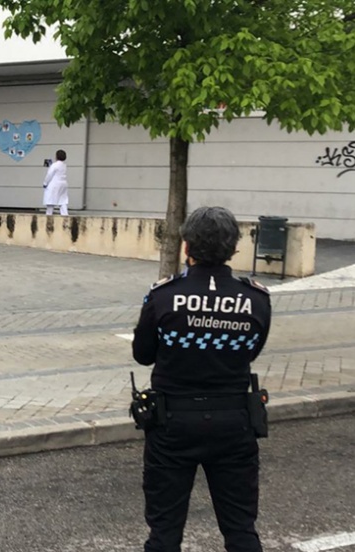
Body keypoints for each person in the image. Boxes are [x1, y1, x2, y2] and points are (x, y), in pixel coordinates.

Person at [132, 206, 272, 552]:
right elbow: (251, 353)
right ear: (234, 249)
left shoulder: (163, 295)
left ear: (186, 247)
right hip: (234, 422)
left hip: (172, 423)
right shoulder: (256, 299)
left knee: (164, 533)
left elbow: (143, 354)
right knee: (241, 530)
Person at [43, 149, 69, 216]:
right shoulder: (64, 165)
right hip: (63, 184)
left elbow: (49, 175)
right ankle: (65, 215)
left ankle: (49, 215)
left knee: (50, 201)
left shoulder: (54, 165)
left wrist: (45, 183)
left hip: (54, 184)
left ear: (56, 156)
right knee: (62, 201)